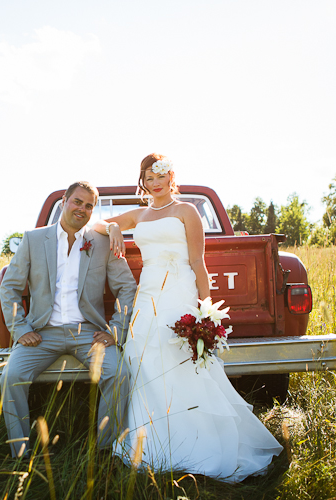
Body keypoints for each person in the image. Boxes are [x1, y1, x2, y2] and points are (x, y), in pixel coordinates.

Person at [93, 154, 283, 482]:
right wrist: (112, 227)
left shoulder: (186, 211)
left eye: (159, 177)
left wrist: (205, 311)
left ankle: (197, 442)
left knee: (178, 359)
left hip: (178, 289)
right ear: (143, 182)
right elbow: (96, 224)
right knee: (143, 360)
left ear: (170, 178)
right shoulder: (140, 214)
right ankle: (151, 442)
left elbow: (198, 261)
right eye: (148, 178)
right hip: (148, 294)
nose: (154, 183)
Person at [0, 181, 137, 458]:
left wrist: (116, 330)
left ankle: (106, 452)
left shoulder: (101, 242)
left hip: (89, 333)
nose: (82, 209)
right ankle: (20, 454)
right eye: (77, 201)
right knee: (10, 376)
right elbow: (9, 286)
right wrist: (20, 328)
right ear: (64, 201)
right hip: (42, 332)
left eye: (89, 206)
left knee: (119, 374)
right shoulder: (34, 239)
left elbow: (127, 288)